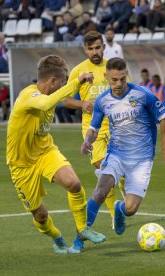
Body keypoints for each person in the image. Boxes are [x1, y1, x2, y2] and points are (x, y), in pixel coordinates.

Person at [6, 55, 106, 254]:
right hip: (22, 164)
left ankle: (82, 229)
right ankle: (56, 236)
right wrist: (77, 82)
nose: (63, 85)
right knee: (40, 215)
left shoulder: (50, 96)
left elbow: (54, 100)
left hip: (45, 151)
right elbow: (45, 103)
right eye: (62, 82)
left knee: (74, 184)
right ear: (53, 81)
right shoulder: (29, 96)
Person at [77, 57, 165, 249]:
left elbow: (164, 118)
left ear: (127, 75)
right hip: (116, 155)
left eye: (122, 79)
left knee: (131, 208)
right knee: (99, 192)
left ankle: (120, 210)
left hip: (142, 159)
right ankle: (79, 237)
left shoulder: (143, 95)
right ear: (106, 77)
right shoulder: (102, 101)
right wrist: (87, 141)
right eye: (114, 79)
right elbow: (93, 128)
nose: (118, 83)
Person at [61, 31, 125, 252]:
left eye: (98, 47)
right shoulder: (78, 71)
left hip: (119, 128)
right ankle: (112, 212)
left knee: (122, 177)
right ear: (85, 50)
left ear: (104, 46)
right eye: (91, 49)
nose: (95, 52)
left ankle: (119, 209)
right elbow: (65, 99)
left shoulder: (114, 67)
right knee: (105, 174)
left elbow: (128, 94)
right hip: (93, 132)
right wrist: (82, 104)